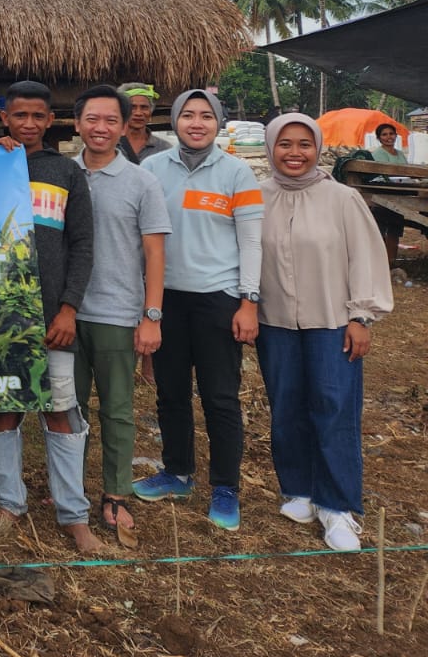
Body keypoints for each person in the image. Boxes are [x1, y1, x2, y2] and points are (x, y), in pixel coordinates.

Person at [0, 82, 100, 552]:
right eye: (19, 116)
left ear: (51, 121)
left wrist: (69, 308)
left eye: (37, 117)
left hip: (52, 318)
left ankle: (73, 514)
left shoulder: (67, 172)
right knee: (3, 408)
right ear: (4, 118)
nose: (27, 124)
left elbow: (83, 245)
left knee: (61, 410)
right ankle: (10, 503)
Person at [258, 113, 390, 552]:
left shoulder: (342, 198)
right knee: (287, 406)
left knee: (334, 409)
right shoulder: (258, 197)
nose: (294, 153)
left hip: (333, 320)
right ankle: (299, 489)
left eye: (304, 144)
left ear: (317, 149)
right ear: (271, 147)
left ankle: (337, 505)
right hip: (275, 322)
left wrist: (361, 316)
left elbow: (366, 258)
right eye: (285, 144)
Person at [134, 90, 263, 531]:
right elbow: (141, 236)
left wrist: (249, 301)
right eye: (187, 115)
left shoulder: (237, 172)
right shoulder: (152, 169)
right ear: (174, 121)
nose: (196, 122)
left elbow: (250, 241)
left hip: (218, 298)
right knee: (170, 393)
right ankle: (177, 472)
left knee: (220, 398)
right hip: (166, 298)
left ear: (219, 123)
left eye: (206, 116)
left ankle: (225, 486)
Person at [71, 85, 170, 548]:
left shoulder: (141, 182)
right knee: (66, 410)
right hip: (67, 315)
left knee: (116, 409)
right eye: (92, 119)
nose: (101, 128)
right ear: (77, 124)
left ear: (125, 124)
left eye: (111, 120)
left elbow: (154, 253)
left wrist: (151, 316)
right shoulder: (63, 174)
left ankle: (115, 493)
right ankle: (69, 490)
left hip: (116, 311)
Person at [368, 123, 409, 268]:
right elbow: (378, 176)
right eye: (384, 134)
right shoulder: (377, 154)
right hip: (384, 195)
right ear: (379, 138)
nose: (388, 137)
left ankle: (391, 262)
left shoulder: (400, 154)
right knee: (382, 229)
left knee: (395, 230)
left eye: (391, 134)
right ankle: (380, 265)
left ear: (395, 136)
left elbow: (407, 173)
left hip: (401, 195)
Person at [117, 83, 170, 164]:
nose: (138, 113)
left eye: (144, 107)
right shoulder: (110, 145)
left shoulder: (164, 148)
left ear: (150, 111)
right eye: (132, 107)